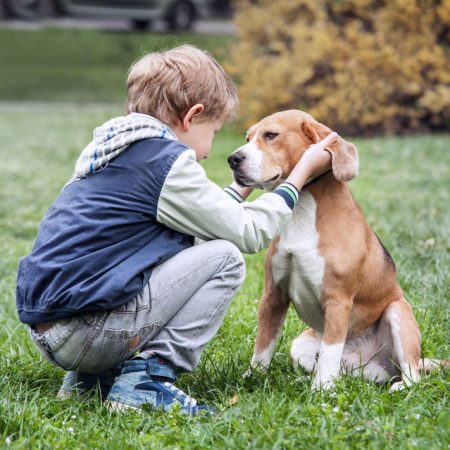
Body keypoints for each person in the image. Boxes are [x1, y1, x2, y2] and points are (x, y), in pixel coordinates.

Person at [16, 45, 337, 415]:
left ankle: (89, 381)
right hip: (90, 334)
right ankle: (147, 381)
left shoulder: (111, 152)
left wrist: (240, 188)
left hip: (50, 330)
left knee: (170, 253)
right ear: (192, 117)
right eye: (214, 132)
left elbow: (201, 223)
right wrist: (298, 176)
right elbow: (248, 233)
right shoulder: (165, 163)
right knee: (226, 259)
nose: (208, 151)